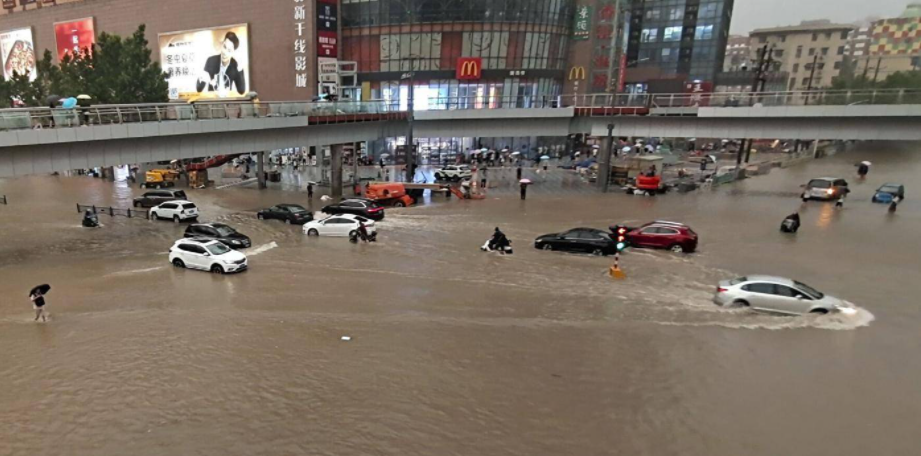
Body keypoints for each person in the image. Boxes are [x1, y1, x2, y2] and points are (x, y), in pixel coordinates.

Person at [196, 32, 247, 96]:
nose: (225, 52)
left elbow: (241, 91)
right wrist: (201, 77)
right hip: (211, 103)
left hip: (227, 103)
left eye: (229, 50)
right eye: (224, 47)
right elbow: (199, 89)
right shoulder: (211, 61)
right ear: (222, 44)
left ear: (233, 52)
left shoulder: (235, 65)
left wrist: (240, 68)